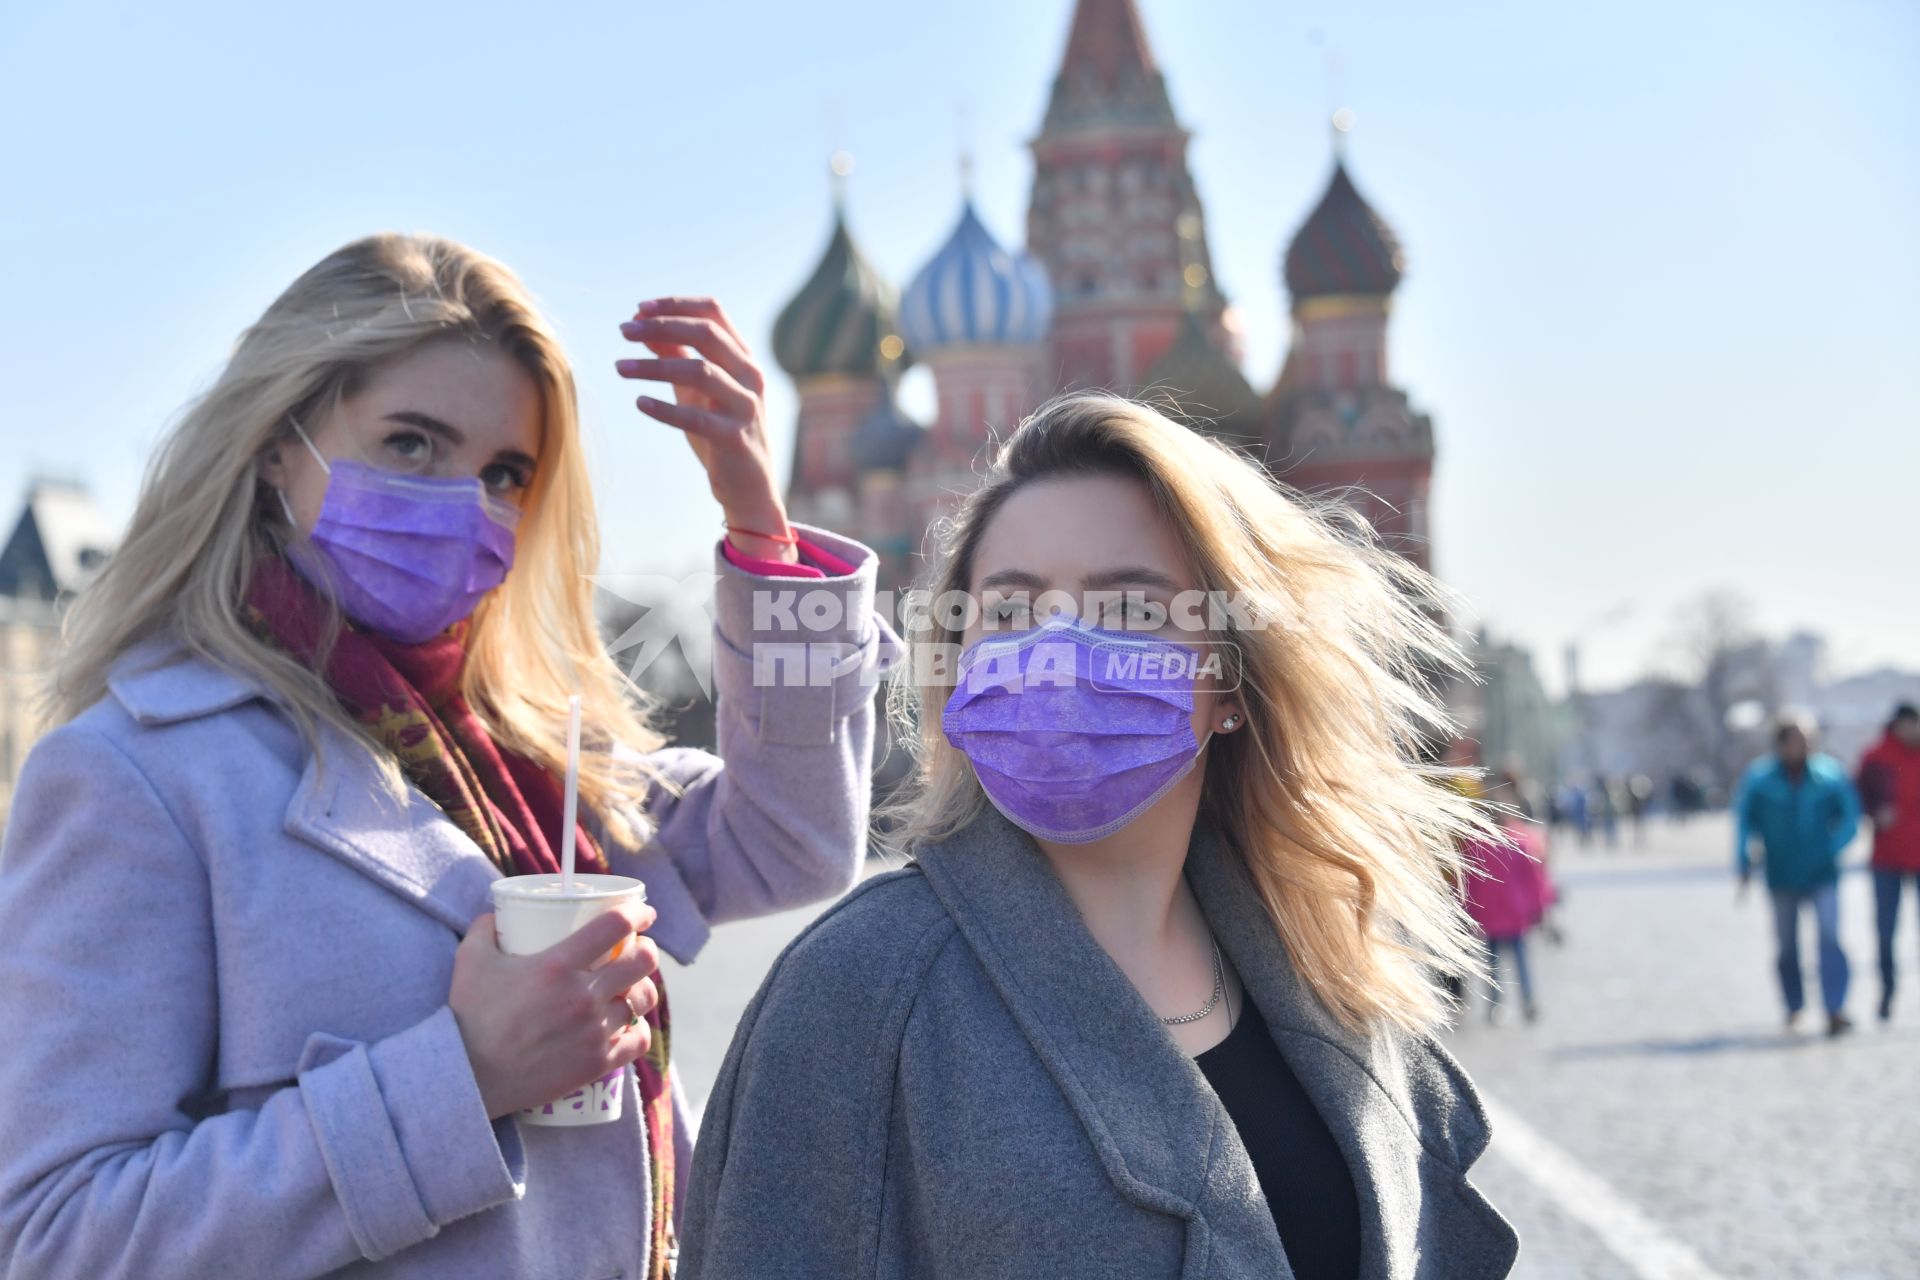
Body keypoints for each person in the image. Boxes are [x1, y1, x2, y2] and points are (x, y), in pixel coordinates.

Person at [0, 234, 899, 1279]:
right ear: (274, 446)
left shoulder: (528, 755)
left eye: (506, 471)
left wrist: (762, 533)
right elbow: (58, 1234)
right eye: (411, 443)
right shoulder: (137, 774)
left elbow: (793, 838)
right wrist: (464, 1077)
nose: (463, 503)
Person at [679, 394, 1519, 1278]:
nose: (1056, 652)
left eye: (1128, 609)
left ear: (1231, 680)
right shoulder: (859, 987)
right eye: (1009, 612)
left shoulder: (1321, 960)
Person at [1734, 715, 1862, 1037]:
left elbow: (1850, 815)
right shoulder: (1760, 780)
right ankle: (1794, 1005)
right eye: (1793, 740)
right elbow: (1744, 822)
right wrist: (1743, 861)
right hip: (1781, 873)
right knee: (1787, 945)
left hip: (1822, 872)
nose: (1800, 747)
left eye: (1805, 740)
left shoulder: (1829, 775)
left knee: (1830, 939)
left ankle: (1835, 1007)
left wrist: (1831, 848)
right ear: (1780, 744)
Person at [1463, 772, 1555, 1024]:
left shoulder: (1476, 843)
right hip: (1514, 913)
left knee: (1494, 964)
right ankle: (1527, 1000)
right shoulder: (1521, 842)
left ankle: (1496, 1005)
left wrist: (1468, 910)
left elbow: (1469, 883)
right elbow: (1534, 879)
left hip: (1491, 914)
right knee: (1518, 961)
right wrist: (1540, 907)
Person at [1857, 703, 1920, 1022]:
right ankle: (1887, 991)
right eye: (1908, 725)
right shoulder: (1876, 757)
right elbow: (1857, 797)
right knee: (1885, 931)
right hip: (1887, 857)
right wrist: (1874, 813)